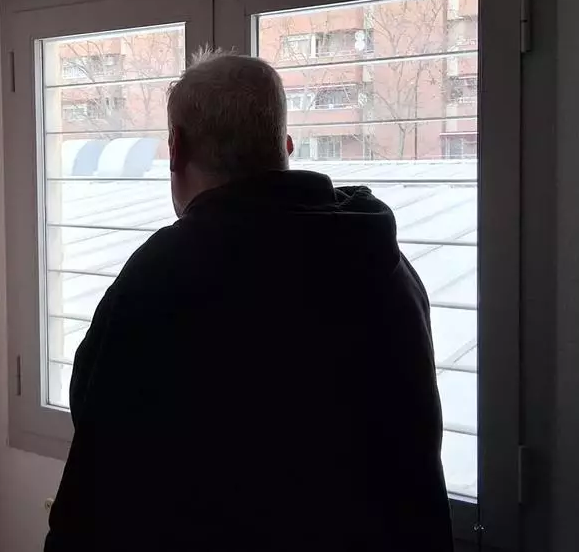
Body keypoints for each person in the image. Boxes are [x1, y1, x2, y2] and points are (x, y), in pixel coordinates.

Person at [45, 51, 452, 552]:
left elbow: (99, 470)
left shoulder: (161, 280)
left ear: (175, 150)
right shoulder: (383, 263)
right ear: (286, 146)